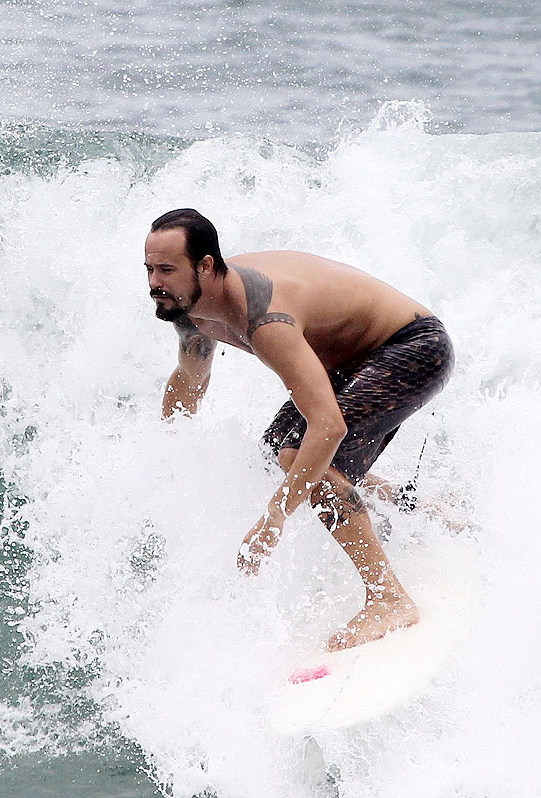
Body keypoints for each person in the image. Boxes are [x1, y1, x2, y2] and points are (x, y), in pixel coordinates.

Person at [145, 208, 454, 650]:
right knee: (280, 451)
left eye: (167, 270)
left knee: (303, 458)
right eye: (150, 269)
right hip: (355, 359)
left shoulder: (265, 319)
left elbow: (327, 425)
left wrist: (273, 520)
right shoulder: (189, 308)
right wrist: (168, 450)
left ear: (206, 266)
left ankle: (389, 599)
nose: (155, 282)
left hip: (415, 346)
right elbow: (189, 380)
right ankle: (415, 507)